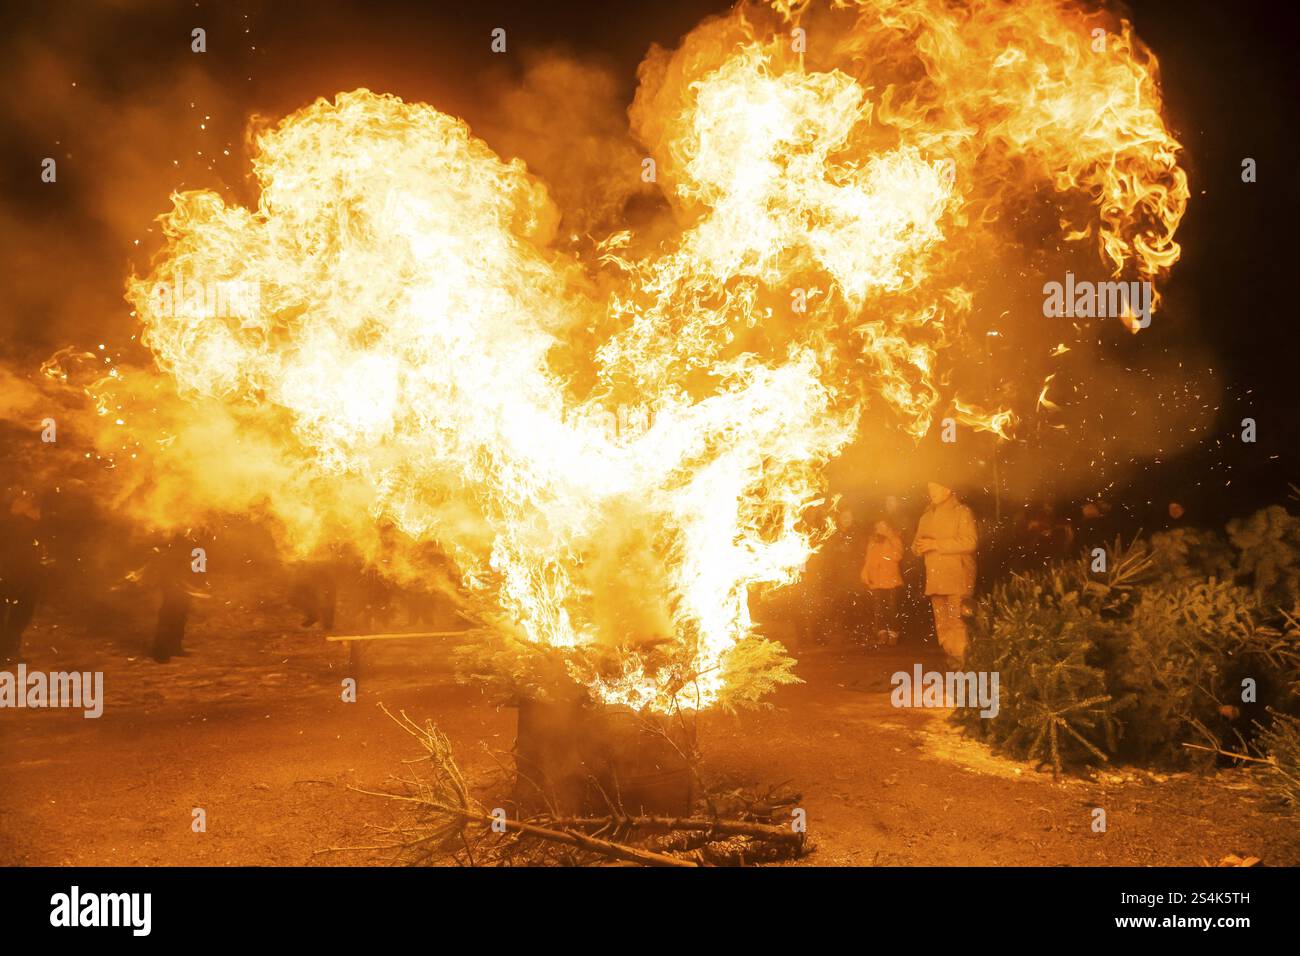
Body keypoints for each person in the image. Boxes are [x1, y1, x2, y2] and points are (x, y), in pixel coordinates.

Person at [911, 482, 977, 664]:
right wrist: (918, 547)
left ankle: (962, 664)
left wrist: (936, 544)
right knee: (942, 624)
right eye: (929, 488)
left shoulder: (961, 512)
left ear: (948, 490)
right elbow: (915, 546)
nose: (931, 492)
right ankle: (953, 661)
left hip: (957, 576)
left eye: (936, 488)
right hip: (935, 578)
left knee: (958, 623)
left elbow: (970, 542)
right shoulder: (925, 517)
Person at [860, 518, 904, 647]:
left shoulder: (894, 539)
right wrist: (865, 572)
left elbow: (898, 555)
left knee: (891, 608)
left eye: (883, 526)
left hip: (891, 580)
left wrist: (889, 537)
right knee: (879, 609)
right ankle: (882, 634)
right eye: (878, 526)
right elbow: (868, 558)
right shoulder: (873, 541)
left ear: (889, 527)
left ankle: (893, 634)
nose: (880, 529)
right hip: (877, 579)